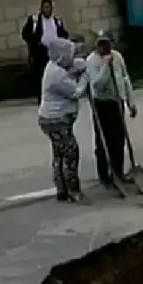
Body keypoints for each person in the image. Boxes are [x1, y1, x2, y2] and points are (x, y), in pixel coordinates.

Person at [38, 38, 88, 203]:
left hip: (51, 119)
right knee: (71, 152)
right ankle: (73, 190)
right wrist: (84, 78)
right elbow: (76, 92)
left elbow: (71, 69)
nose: (72, 56)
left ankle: (61, 189)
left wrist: (78, 67)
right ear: (61, 56)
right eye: (69, 53)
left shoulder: (53, 67)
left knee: (59, 154)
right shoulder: (56, 74)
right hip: (56, 120)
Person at [85, 31, 137, 187]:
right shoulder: (92, 61)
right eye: (100, 44)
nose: (103, 47)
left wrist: (130, 101)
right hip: (101, 103)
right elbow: (97, 85)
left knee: (118, 139)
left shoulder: (118, 57)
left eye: (106, 44)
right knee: (103, 140)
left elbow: (125, 78)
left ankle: (118, 171)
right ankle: (104, 175)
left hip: (116, 101)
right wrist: (106, 67)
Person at [21, 0, 69, 103]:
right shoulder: (34, 21)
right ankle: (42, 99)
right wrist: (36, 42)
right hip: (40, 54)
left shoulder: (57, 21)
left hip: (55, 54)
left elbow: (64, 35)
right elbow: (25, 34)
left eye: (49, 7)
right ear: (41, 8)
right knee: (41, 77)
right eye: (45, 7)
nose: (47, 10)